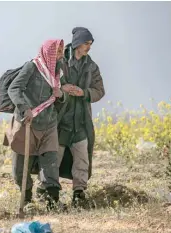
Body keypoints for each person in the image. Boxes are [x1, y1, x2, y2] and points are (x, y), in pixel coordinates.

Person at [5, 39, 68, 210]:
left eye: (62, 51)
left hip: (49, 123)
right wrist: (24, 108)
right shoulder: (32, 67)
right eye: (58, 51)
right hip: (27, 123)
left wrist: (61, 95)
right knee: (20, 168)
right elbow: (14, 89)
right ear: (49, 52)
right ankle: (26, 200)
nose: (61, 54)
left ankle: (52, 201)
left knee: (51, 163)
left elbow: (60, 100)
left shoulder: (59, 70)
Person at [55, 27, 105, 208]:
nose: (88, 47)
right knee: (53, 159)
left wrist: (84, 92)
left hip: (81, 123)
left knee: (82, 160)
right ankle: (50, 196)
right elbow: (49, 85)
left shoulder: (91, 66)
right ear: (77, 43)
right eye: (86, 43)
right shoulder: (59, 62)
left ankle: (79, 195)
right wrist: (63, 89)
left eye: (90, 44)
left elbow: (100, 91)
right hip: (61, 122)